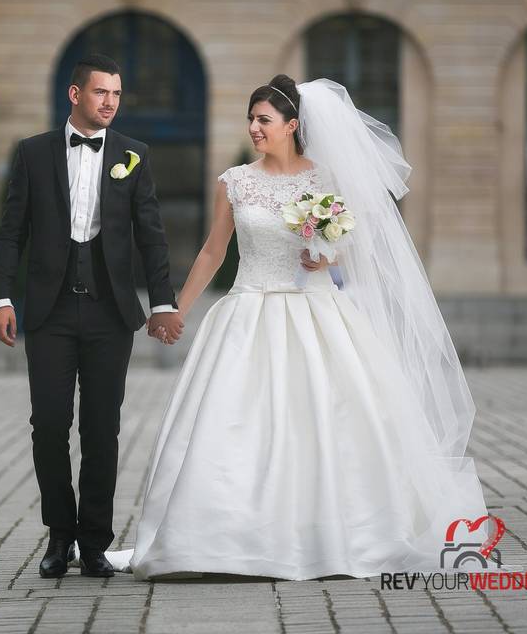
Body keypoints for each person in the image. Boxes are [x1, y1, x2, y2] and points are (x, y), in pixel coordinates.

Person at [102, 74, 490, 580]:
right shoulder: (235, 181)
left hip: (316, 314)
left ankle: (328, 534)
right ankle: (219, 539)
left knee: (330, 423)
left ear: (292, 125)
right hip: (247, 314)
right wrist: (176, 309)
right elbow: (212, 251)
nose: (254, 128)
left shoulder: (325, 181)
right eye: (251, 119)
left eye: (264, 120)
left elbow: (353, 244)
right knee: (232, 426)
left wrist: (324, 254)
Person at [0, 53, 183, 578]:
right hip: (49, 312)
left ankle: (94, 541)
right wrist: (1, 297)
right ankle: (60, 536)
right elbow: (12, 233)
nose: (110, 103)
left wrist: (163, 302)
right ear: (75, 95)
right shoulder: (32, 154)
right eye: (101, 93)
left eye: (117, 94)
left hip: (110, 314)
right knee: (48, 426)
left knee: (103, 430)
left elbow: (151, 236)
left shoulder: (133, 155)